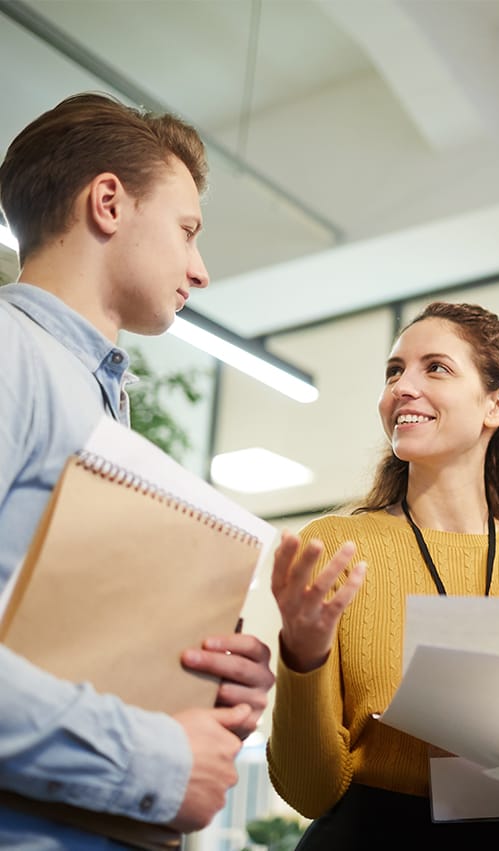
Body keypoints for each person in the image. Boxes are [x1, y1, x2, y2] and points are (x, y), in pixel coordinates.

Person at [0, 93, 275, 850]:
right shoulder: (10, 355)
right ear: (110, 202)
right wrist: (154, 754)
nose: (201, 270)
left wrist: (202, 674)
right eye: (188, 230)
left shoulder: (102, 400)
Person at [267, 301, 499, 849]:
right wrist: (303, 655)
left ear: (497, 404)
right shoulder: (335, 547)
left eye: (435, 367)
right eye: (394, 370)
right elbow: (309, 791)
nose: (402, 386)